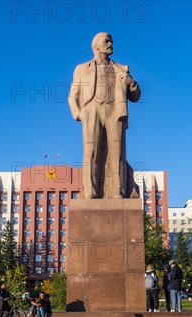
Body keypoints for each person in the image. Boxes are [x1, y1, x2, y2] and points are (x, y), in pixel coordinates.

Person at [68, 32, 141, 199]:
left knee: (117, 153)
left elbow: (136, 97)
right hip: (91, 110)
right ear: (97, 46)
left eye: (112, 41)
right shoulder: (81, 69)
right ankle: (90, 192)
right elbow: (73, 95)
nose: (111, 44)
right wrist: (78, 113)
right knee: (90, 153)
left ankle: (118, 192)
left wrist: (132, 84)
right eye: (107, 41)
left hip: (114, 111)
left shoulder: (121, 69)